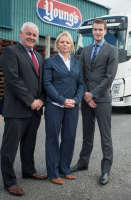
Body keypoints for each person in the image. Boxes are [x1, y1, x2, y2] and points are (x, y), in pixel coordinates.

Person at [0, 22, 47, 196]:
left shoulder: (39, 57)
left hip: (35, 110)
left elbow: (42, 83)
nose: (32, 37)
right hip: (17, 109)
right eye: (28, 34)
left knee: (29, 144)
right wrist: (30, 101)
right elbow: (13, 80)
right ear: (20, 33)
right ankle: (9, 182)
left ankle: (29, 170)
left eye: (35, 35)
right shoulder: (10, 52)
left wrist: (41, 100)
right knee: (9, 148)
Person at [71, 19, 118, 185]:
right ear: (92, 31)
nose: (97, 32)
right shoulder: (85, 50)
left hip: (102, 99)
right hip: (86, 99)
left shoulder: (112, 50)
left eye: (100, 29)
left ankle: (105, 170)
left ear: (105, 31)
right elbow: (81, 74)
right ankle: (83, 163)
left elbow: (109, 77)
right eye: (95, 29)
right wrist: (85, 94)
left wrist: (93, 95)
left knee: (105, 136)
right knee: (87, 134)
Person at [43, 31, 84, 185]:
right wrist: (61, 100)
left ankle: (64, 169)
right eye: (62, 42)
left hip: (72, 107)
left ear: (71, 45)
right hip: (55, 106)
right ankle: (53, 172)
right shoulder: (50, 62)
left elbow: (81, 84)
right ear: (57, 44)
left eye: (67, 42)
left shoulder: (76, 63)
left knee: (69, 138)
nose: (65, 44)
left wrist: (75, 100)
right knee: (53, 138)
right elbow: (47, 84)